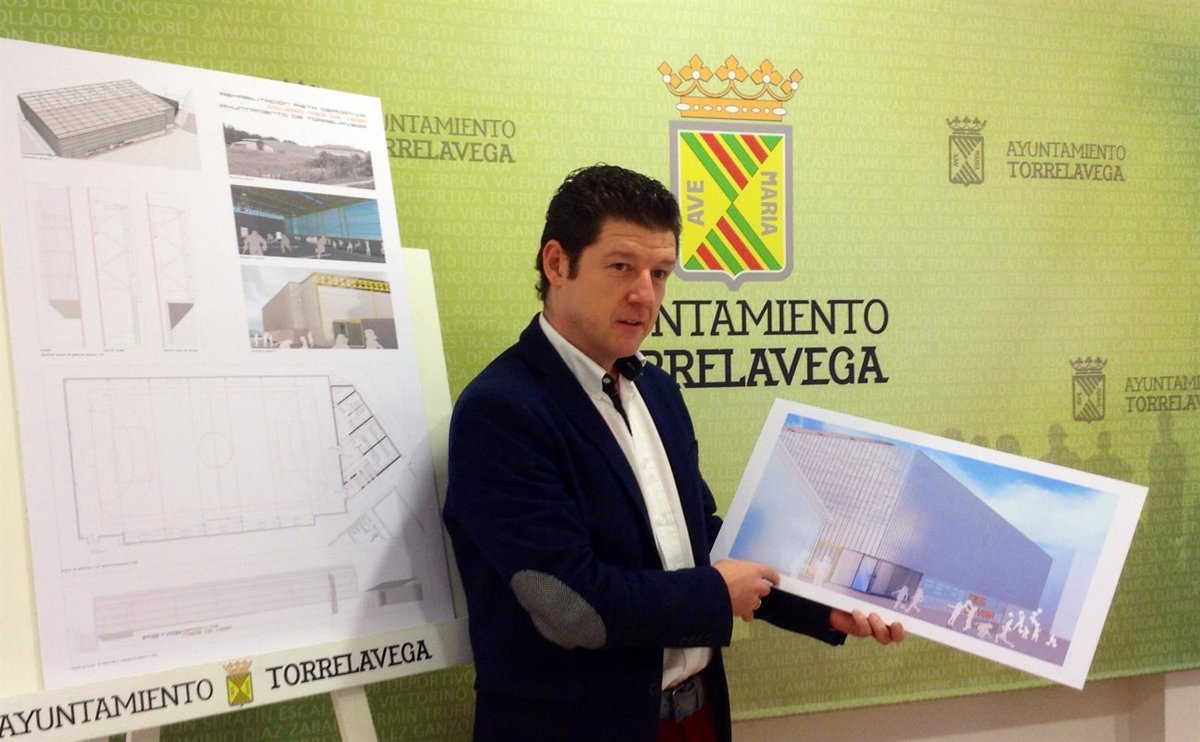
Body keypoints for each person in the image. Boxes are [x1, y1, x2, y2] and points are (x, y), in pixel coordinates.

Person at [442, 165, 903, 742]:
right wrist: (715, 593)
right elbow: (568, 605)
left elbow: (698, 538)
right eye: (621, 267)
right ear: (557, 264)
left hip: (699, 715)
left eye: (659, 273)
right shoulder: (501, 411)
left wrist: (819, 604)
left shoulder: (657, 390)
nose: (645, 295)